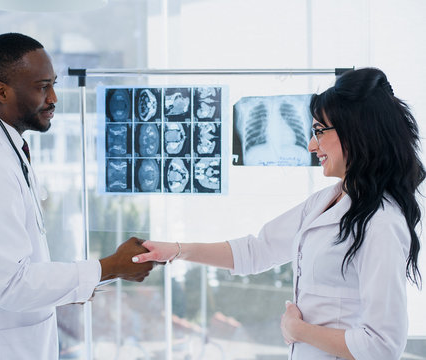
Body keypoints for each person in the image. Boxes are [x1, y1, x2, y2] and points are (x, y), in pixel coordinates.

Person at [133, 67, 424, 360]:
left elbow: (383, 346)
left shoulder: (382, 223)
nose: (312, 145)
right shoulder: (325, 201)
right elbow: (257, 251)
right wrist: (176, 251)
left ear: (357, 131)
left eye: (319, 131)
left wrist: (298, 330)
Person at [0, 33, 153, 360]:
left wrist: (69, 286)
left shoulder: (2, 146)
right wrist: (110, 267)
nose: (54, 98)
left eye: (53, 84)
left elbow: (17, 265)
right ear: (0, 91)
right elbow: (12, 285)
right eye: (42, 86)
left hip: (10, 336)